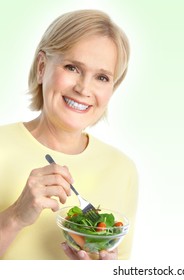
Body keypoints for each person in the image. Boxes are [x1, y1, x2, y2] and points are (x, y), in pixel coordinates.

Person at [0, 9, 138, 260]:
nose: (84, 88)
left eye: (102, 77)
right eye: (72, 67)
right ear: (42, 67)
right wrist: (16, 216)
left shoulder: (122, 169)